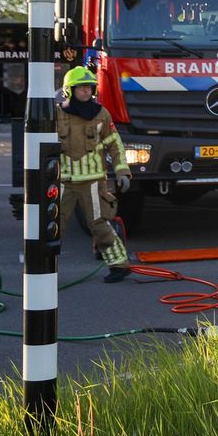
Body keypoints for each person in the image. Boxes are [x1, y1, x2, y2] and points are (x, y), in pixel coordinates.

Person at [56, 66, 134, 283]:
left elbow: (115, 145)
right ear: (69, 90)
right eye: (80, 88)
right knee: (53, 224)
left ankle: (119, 265)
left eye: (89, 87)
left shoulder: (101, 114)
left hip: (93, 181)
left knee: (100, 224)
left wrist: (122, 172)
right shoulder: (57, 114)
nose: (86, 91)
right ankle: (45, 268)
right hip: (64, 181)